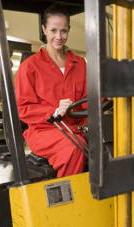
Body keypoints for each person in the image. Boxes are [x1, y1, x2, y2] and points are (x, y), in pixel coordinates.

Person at [15, 3, 87, 178]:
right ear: (44, 30)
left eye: (63, 31)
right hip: (44, 131)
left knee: (112, 143)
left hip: (77, 127)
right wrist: (54, 110)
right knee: (74, 148)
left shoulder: (80, 64)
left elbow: (88, 99)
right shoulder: (30, 67)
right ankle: (68, 202)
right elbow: (23, 109)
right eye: (54, 30)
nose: (59, 36)